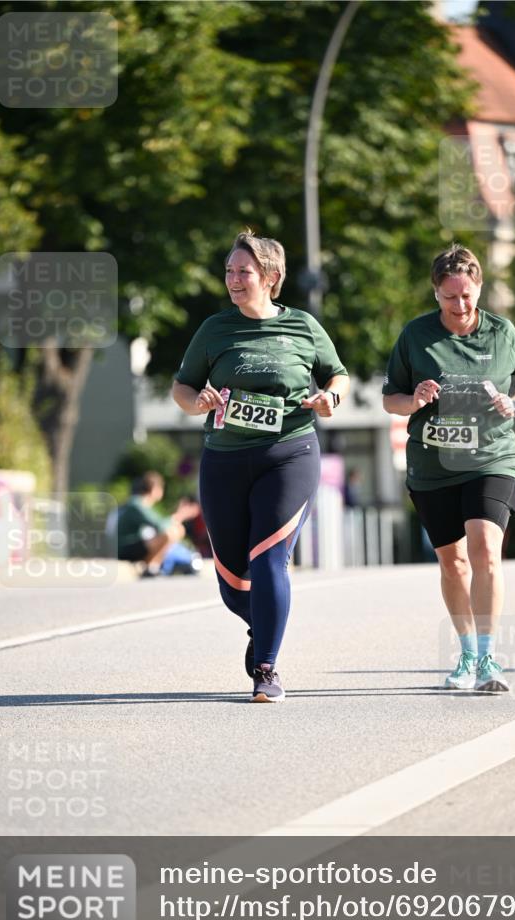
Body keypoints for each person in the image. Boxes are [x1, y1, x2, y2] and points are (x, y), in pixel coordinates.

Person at [172, 229, 350, 702]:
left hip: (289, 453)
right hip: (225, 459)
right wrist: (198, 404)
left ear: (270, 277)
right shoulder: (214, 330)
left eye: (243, 271)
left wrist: (329, 397)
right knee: (233, 583)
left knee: (270, 557)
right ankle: (263, 624)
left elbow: (338, 374)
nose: (233, 279)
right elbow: (183, 388)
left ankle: (267, 668)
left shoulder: (304, 327)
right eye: (229, 271)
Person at [382, 245, 515, 693]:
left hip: (493, 456)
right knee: (452, 563)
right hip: (434, 465)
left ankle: (489, 658)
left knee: (486, 548)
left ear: (479, 288)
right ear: (436, 293)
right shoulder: (416, 336)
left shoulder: (502, 333)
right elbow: (390, 397)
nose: (461, 305)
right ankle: (467, 654)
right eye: (450, 297)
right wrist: (413, 401)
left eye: (467, 295)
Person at [117, 471, 203, 577]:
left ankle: (153, 566)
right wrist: (180, 515)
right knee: (171, 533)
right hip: (125, 548)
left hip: (132, 545)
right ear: (154, 489)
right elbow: (160, 526)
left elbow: (159, 523)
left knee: (176, 530)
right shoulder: (136, 504)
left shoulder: (139, 504)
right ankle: (152, 566)